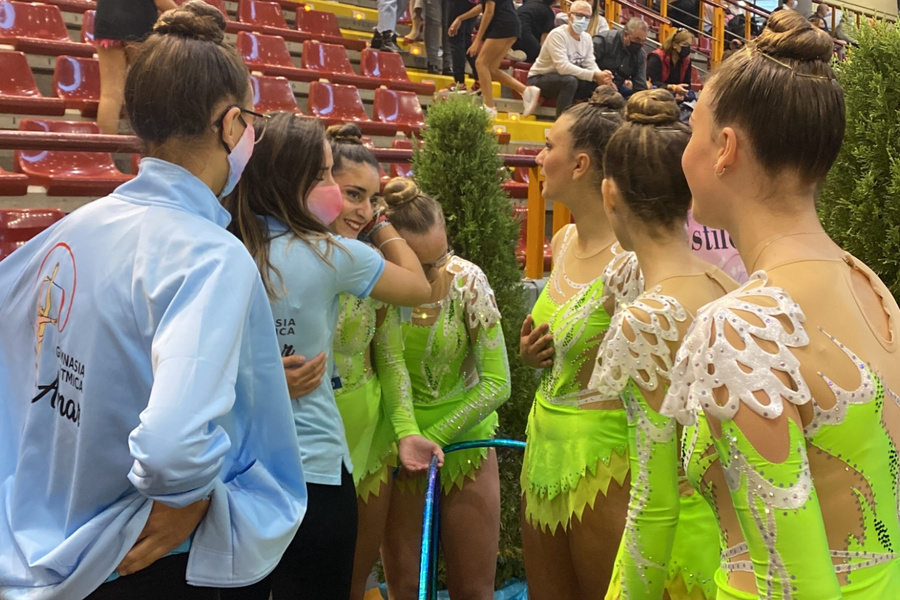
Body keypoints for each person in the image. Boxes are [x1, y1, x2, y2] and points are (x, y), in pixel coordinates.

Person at [0, 3, 307, 599]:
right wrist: (187, 495)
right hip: (142, 556)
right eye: (248, 120)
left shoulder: (71, 230)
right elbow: (172, 448)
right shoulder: (209, 256)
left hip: (40, 539)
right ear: (227, 123)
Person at [663, 11, 900, 599]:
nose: (684, 155)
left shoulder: (738, 328)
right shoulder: (870, 286)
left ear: (725, 149)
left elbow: (791, 584)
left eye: (692, 132)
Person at [223, 114, 436, 599]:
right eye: (323, 176)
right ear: (290, 180)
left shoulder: (221, 240)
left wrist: (259, 379)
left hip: (234, 470)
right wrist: (382, 223)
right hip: (314, 472)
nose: (334, 192)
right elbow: (419, 286)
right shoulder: (328, 252)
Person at [588, 90, 730, 600]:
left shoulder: (643, 322)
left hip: (679, 563)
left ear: (609, 195)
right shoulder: (723, 287)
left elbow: (654, 499)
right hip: (733, 550)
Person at [518, 85, 640, 600]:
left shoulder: (633, 260)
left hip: (605, 455)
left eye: (549, 146)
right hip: (542, 441)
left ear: (582, 164)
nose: (539, 157)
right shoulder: (563, 241)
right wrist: (532, 356)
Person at [325, 124, 445, 600]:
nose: (362, 210)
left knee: (354, 584)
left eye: (372, 199)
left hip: (369, 445)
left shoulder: (371, 265)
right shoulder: (278, 256)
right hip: (304, 446)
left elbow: (390, 361)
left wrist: (405, 430)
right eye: (352, 194)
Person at [379, 177, 512, 600]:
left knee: (473, 589)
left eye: (444, 256)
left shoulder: (468, 281)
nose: (438, 272)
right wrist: (409, 438)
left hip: (466, 442)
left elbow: (497, 383)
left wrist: (433, 439)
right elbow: (389, 364)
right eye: (423, 265)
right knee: (404, 588)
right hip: (398, 445)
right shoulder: (378, 288)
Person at [93, 0, 177, 134]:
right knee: (149, 91)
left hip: (106, 25)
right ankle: (151, 145)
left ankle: (103, 149)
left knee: (110, 95)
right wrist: (184, 13)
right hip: (139, 25)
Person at [525, 1, 613, 117]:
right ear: (569, 16)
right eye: (579, 15)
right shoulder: (558, 35)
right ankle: (561, 119)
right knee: (569, 81)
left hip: (567, 78)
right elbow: (563, 67)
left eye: (586, 17)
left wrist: (602, 76)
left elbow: (590, 63)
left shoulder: (586, 38)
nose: (583, 19)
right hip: (540, 79)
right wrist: (594, 75)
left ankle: (585, 119)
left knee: (596, 85)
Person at [451, 0, 533, 119]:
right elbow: (483, 6)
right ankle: (526, 91)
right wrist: (461, 18)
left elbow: (489, 11)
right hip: (510, 25)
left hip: (502, 25)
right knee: (491, 70)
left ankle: (489, 106)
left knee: (481, 63)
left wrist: (477, 40)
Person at [593, 17, 649, 98]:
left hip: (616, 92)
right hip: (592, 84)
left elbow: (640, 86)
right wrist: (600, 76)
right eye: (637, 40)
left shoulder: (640, 55)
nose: (640, 44)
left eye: (643, 41)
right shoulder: (603, 41)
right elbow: (586, 64)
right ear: (626, 34)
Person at [646, 27, 694, 99]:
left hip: (678, 94)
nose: (687, 48)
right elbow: (653, 82)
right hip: (659, 92)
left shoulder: (687, 60)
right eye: (685, 44)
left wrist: (682, 93)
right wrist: (673, 88)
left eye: (689, 45)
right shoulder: (657, 57)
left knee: (691, 95)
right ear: (674, 44)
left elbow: (687, 85)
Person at [443, 0, 479, 92]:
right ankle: (479, 79)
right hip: (474, 3)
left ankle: (459, 82)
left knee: (455, 37)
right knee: (466, 41)